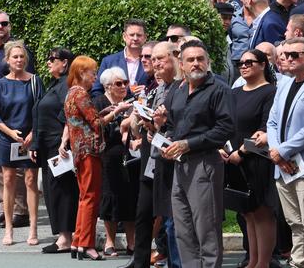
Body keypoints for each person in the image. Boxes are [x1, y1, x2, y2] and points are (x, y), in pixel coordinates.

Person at [155, 40, 235, 267]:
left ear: (208, 62)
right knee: (183, 230)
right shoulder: (177, 92)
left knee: (206, 229)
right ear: (181, 64)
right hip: (179, 166)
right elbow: (171, 124)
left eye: (200, 59)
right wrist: (167, 141)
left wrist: (188, 144)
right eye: (190, 60)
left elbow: (226, 128)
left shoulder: (219, 89)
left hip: (205, 163)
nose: (196, 63)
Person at [120, 41, 181, 268]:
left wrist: (157, 126)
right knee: (143, 211)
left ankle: (175, 261)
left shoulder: (180, 87)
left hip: (170, 157)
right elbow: (143, 125)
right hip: (150, 158)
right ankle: (140, 260)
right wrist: (143, 122)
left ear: (174, 59)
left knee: (172, 218)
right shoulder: (155, 89)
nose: (154, 63)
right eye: (151, 59)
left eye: (159, 58)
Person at [266, 37, 304, 268]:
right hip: (282, 165)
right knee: (294, 222)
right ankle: (300, 262)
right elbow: (272, 121)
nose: (287, 59)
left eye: (294, 55)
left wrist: (282, 151)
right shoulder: (285, 83)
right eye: (285, 54)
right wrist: (275, 151)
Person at [223, 49, 277, 268]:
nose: (243, 66)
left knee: (262, 212)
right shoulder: (234, 93)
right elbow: (224, 123)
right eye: (241, 63)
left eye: (249, 62)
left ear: (263, 65)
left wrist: (242, 152)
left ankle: (263, 263)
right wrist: (222, 148)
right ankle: (252, 260)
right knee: (247, 213)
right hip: (232, 160)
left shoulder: (270, 92)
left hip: (256, 160)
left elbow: (266, 130)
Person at [0, 40, 43, 246]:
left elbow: (41, 110)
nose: (19, 60)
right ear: (8, 60)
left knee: (30, 180)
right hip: (7, 138)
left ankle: (33, 229)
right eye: (15, 57)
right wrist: (10, 132)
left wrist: (32, 134)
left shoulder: (35, 81)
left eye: (22, 57)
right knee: (8, 179)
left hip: (30, 139)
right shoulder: (0, 84)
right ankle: (9, 229)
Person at [0, 10, 34, 228]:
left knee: (19, 165)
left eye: (4, 23)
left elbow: (26, 81)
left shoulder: (18, 50)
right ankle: (6, 207)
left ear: (9, 26)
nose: (0, 27)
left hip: (16, 116)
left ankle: (20, 210)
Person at [29, 47, 79, 254]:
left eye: (53, 59)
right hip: (46, 145)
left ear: (65, 62)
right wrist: (35, 144)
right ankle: (62, 235)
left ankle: (66, 237)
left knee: (63, 190)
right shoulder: (54, 84)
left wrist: (63, 142)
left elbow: (69, 116)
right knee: (51, 192)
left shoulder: (68, 85)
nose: (48, 62)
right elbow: (39, 114)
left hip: (59, 146)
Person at [61, 55, 109, 261]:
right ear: (82, 73)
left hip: (79, 151)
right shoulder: (81, 94)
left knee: (84, 197)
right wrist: (116, 113)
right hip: (89, 150)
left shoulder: (71, 93)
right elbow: (96, 123)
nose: (95, 76)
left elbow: (84, 119)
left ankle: (78, 241)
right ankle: (86, 244)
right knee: (91, 197)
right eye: (92, 72)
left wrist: (104, 111)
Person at [94, 67, 135, 256]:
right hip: (108, 156)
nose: (123, 87)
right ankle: (109, 241)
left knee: (129, 198)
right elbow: (96, 128)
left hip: (129, 156)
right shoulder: (99, 103)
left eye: (125, 83)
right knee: (109, 198)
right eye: (119, 83)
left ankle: (132, 242)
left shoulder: (131, 103)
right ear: (108, 86)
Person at [92, 19, 148, 97]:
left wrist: (147, 90)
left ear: (145, 37)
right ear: (124, 37)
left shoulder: (151, 60)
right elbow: (97, 90)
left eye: (139, 35)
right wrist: (110, 106)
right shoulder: (108, 62)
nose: (135, 38)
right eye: (131, 35)